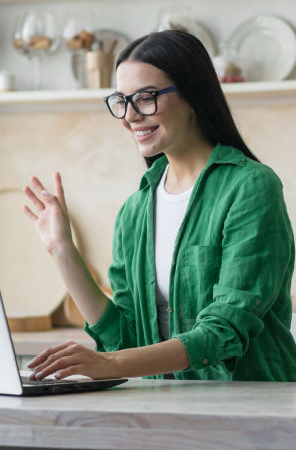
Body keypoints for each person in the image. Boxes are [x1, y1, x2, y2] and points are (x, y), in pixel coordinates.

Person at [22, 30, 296, 382]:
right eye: (122, 101)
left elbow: (225, 331)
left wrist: (112, 364)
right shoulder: (135, 210)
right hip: (166, 410)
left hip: (251, 409)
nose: (130, 116)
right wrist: (62, 250)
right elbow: (125, 338)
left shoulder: (250, 188)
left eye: (146, 98)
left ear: (193, 94)